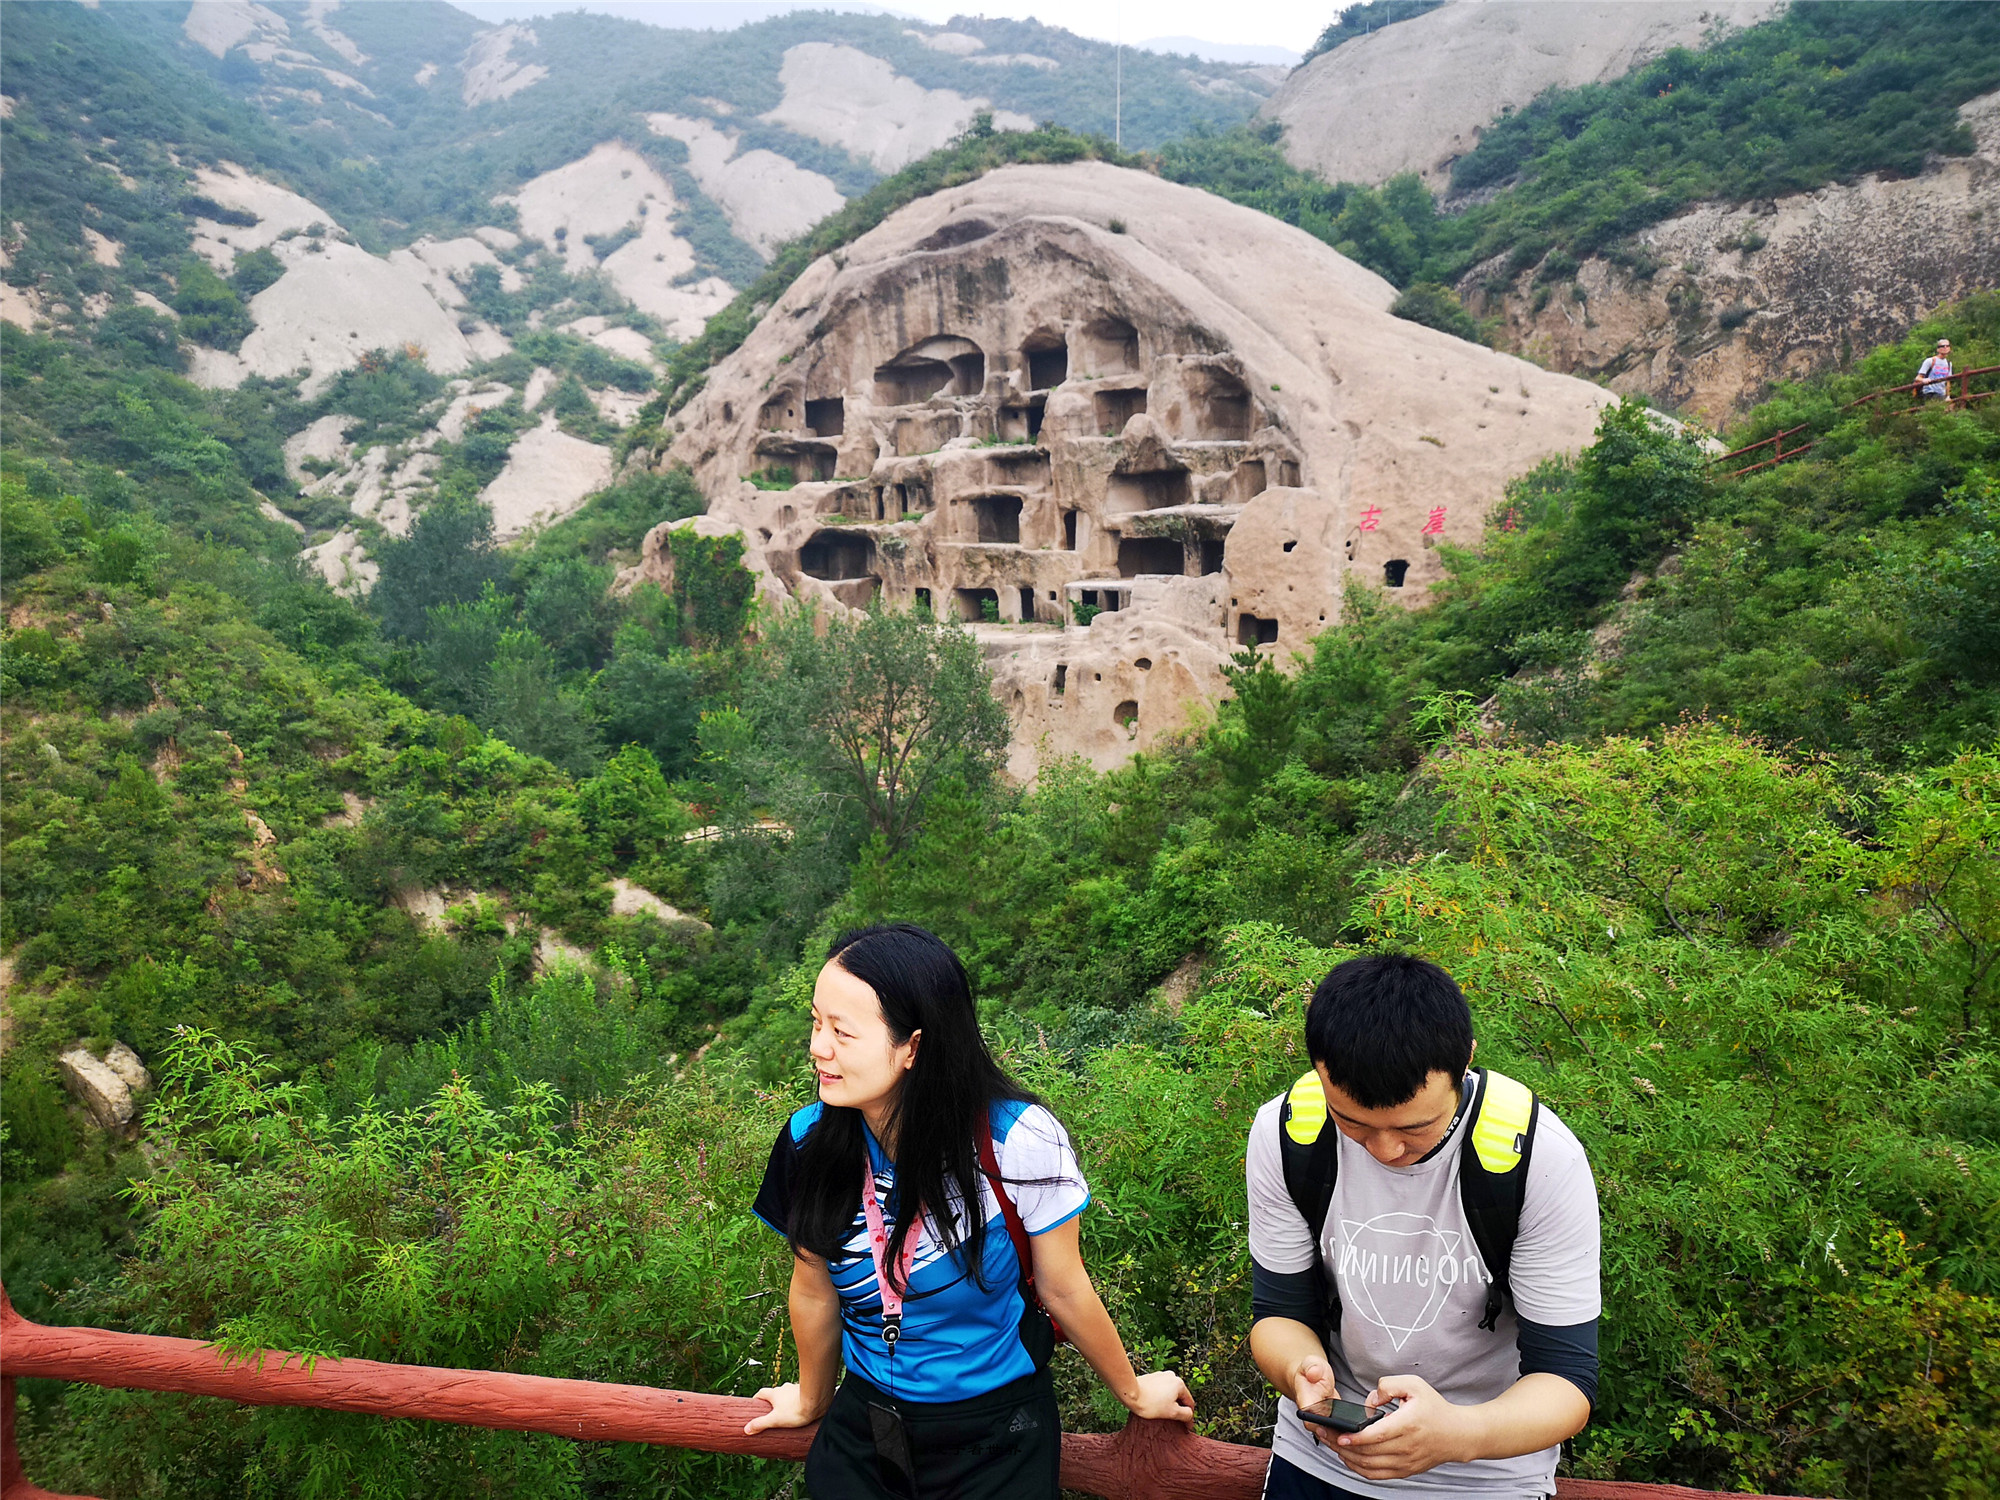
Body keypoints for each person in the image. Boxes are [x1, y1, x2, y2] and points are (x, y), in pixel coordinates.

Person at [745, 923, 1194, 1498]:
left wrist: (1132, 1391)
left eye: (842, 1032)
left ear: (913, 1046)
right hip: (866, 1425)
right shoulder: (810, 1141)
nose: (817, 1047)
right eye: (816, 1021)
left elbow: (1064, 1288)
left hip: (995, 1436)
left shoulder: (1017, 1141)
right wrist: (811, 1399)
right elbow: (813, 1287)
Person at [1246, 953, 1600, 1498]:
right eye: (1355, 1125)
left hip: (1485, 1471)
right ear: (1319, 1069)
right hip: (1323, 1457)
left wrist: (1458, 1434)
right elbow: (1278, 1314)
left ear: (1465, 1063)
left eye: (1416, 1126)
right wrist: (1302, 1372)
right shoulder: (1289, 1133)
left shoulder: (1538, 1158)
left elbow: (1567, 1378)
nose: (1387, 1150)